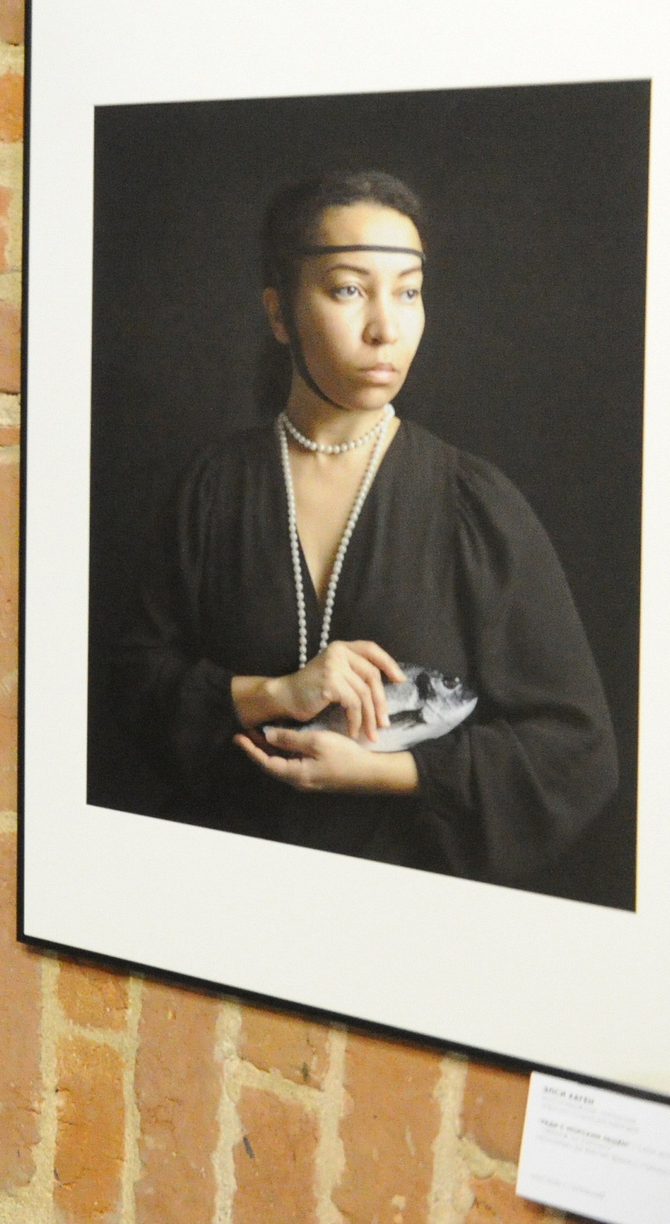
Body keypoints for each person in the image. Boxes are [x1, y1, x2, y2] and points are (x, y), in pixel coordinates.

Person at [105, 170, 620, 892]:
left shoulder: (475, 505)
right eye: (348, 289)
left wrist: (391, 774)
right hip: (219, 894)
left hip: (403, 919)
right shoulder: (213, 488)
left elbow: (576, 751)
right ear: (279, 312)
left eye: (408, 291)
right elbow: (130, 684)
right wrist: (273, 694)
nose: (386, 327)